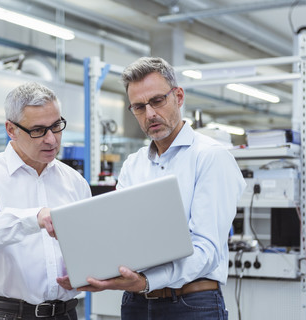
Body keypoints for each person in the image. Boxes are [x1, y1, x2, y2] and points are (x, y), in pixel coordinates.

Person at [78, 57, 246, 320]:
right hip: (136, 304)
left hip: (191, 303)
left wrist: (146, 280)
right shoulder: (134, 165)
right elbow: (121, 237)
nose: (150, 114)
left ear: (178, 96)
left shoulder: (210, 157)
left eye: (157, 101)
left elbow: (206, 250)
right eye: (139, 107)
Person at [0, 82, 91, 319]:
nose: (51, 139)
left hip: (65, 313)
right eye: (38, 130)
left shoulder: (74, 181)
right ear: (11, 129)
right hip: (5, 313)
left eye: (56, 126)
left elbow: (87, 245)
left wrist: (83, 270)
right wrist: (36, 218)